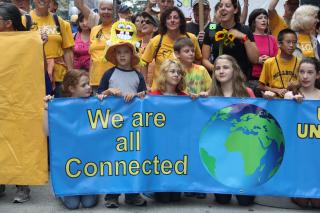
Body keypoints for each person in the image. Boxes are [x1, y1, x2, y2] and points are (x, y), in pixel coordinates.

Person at [0, 2, 52, 203]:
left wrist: (39, 45)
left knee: (22, 138)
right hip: (2, 99)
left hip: (21, 99)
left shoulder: (28, 40)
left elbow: (38, 67)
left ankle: (23, 185)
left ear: (8, 23)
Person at [194, 55, 255, 205]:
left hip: (242, 153)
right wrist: (199, 101)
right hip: (220, 154)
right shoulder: (210, 95)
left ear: (234, 70)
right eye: (217, 68)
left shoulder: (247, 92)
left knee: (245, 201)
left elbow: (257, 119)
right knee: (222, 200)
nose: (221, 71)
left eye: (225, 67)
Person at [97, 38, 147, 209]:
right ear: (115, 56)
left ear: (132, 55)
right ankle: (112, 195)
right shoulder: (109, 74)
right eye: (119, 53)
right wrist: (108, 92)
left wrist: (139, 95)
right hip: (113, 124)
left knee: (132, 158)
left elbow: (144, 96)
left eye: (126, 52)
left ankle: (132, 194)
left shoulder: (138, 75)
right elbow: (99, 96)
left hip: (133, 125)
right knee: (114, 159)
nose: (122, 55)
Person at [44, 70, 99, 210]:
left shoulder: (95, 104)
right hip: (69, 165)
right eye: (84, 85)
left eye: (88, 84)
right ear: (71, 89)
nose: (89, 87)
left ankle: (93, 189)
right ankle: (62, 191)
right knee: (72, 204)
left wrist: (107, 99)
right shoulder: (60, 107)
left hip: (89, 166)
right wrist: (46, 109)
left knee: (88, 203)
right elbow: (47, 132)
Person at [22, 0, 74, 97]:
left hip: (60, 76)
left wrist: (72, 77)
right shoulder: (25, 20)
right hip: (35, 75)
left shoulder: (59, 21)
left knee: (61, 109)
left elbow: (67, 50)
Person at [141, 6, 202, 90]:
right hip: (160, 91)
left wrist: (194, 79)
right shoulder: (156, 40)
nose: (172, 20)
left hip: (186, 91)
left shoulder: (191, 38)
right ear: (164, 22)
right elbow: (144, 62)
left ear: (181, 21)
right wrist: (145, 85)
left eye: (176, 18)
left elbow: (198, 60)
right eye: (169, 18)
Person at [202, 0, 259, 80]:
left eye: (227, 6)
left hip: (241, 82)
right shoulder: (212, 28)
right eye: (220, 6)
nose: (223, 8)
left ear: (235, 10)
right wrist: (218, 70)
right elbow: (204, 59)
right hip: (219, 80)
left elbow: (255, 59)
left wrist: (244, 38)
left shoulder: (245, 29)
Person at [259, 28, 301, 98]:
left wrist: (297, 85)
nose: (291, 45)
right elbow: (261, 86)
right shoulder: (269, 62)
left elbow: (304, 83)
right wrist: (276, 90)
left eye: (294, 42)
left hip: (293, 100)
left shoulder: (300, 63)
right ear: (279, 44)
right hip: (274, 100)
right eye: (288, 42)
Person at [248, 8, 278, 96]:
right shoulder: (248, 38)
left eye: (265, 18)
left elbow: (278, 59)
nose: (264, 20)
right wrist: (257, 60)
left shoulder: (272, 39)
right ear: (253, 22)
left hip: (270, 80)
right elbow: (243, 57)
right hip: (253, 79)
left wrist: (269, 60)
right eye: (260, 18)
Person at [89, 0, 115, 90]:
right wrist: (89, 80)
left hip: (115, 80)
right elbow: (91, 58)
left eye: (109, 9)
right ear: (99, 11)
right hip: (95, 81)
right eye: (103, 9)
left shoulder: (119, 29)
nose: (106, 12)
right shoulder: (94, 30)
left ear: (114, 11)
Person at [137, 11, 159, 86]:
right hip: (138, 89)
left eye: (147, 22)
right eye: (142, 21)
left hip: (157, 90)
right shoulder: (135, 45)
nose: (143, 23)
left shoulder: (160, 46)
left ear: (155, 28)